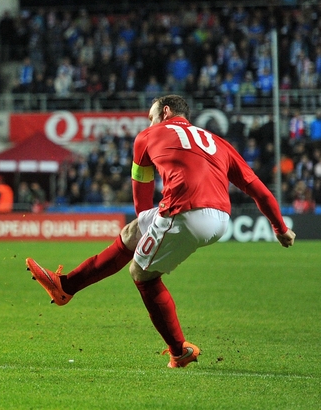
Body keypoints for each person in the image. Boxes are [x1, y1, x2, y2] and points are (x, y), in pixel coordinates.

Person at [26, 95, 295, 368]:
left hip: (185, 212)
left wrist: (147, 220)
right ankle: (66, 286)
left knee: (141, 273)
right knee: (132, 233)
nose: (150, 121)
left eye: (151, 116)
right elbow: (256, 187)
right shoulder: (216, 142)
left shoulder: (148, 135)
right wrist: (280, 227)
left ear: (165, 112)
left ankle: (179, 351)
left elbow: (141, 183)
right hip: (221, 218)